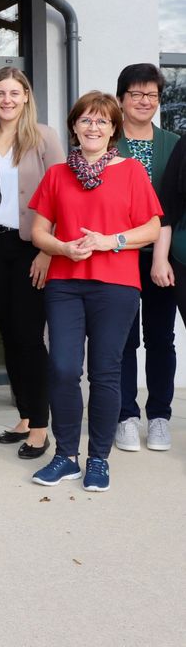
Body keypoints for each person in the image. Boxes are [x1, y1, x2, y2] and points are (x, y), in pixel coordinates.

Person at [29, 92, 162, 493]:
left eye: (102, 121)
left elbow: (152, 229)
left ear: (113, 129)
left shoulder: (132, 171)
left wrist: (112, 241)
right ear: (74, 126)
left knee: (105, 373)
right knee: (64, 369)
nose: (93, 127)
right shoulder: (56, 174)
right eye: (86, 120)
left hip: (117, 286)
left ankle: (99, 459)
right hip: (65, 284)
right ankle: (66, 456)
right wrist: (62, 248)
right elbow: (37, 231)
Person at [0, 67, 64, 459]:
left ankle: (40, 426)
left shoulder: (43, 137)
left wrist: (47, 249)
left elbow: (62, 193)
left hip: (30, 247)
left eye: (14, 92)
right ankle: (25, 416)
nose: (7, 100)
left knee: (28, 336)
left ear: (26, 96)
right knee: (8, 333)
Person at [113, 64, 178, 453]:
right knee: (121, 340)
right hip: (116, 255)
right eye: (136, 94)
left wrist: (162, 256)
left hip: (161, 258)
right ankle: (125, 416)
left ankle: (159, 417)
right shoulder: (105, 139)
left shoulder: (173, 143)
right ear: (121, 98)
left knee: (160, 338)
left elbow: (173, 206)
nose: (144, 102)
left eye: (151, 95)